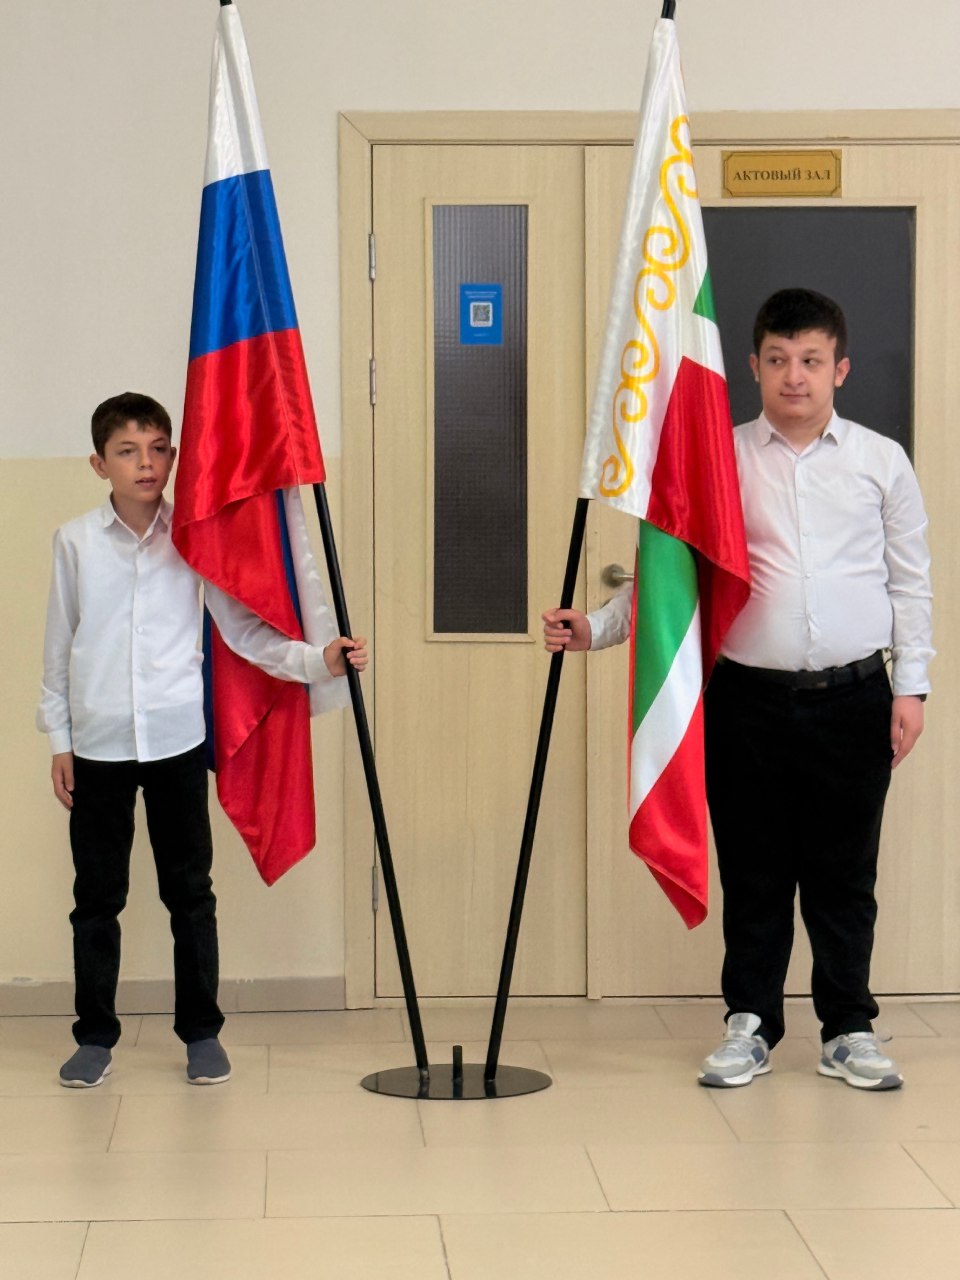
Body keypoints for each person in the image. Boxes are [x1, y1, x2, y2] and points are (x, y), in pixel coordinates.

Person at [544, 288, 932, 1092]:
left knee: (843, 877)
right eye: (779, 360)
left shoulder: (880, 462)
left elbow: (911, 583)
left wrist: (913, 688)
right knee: (755, 873)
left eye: (812, 361)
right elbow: (671, 581)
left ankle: (848, 1029)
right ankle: (750, 1023)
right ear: (753, 366)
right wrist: (596, 628)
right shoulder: (716, 462)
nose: (796, 376)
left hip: (856, 699)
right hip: (747, 704)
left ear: (840, 369)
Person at [37, 392, 368, 1089]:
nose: (146, 464)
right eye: (128, 452)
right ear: (99, 464)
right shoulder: (75, 542)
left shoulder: (193, 540)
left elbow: (245, 634)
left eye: (159, 449)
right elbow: (58, 647)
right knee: (97, 897)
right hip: (99, 743)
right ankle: (94, 1036)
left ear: (174, 457)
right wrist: (60, 739)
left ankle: (201, 1032)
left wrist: (319, 660)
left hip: (176, 739)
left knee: (189, 893)